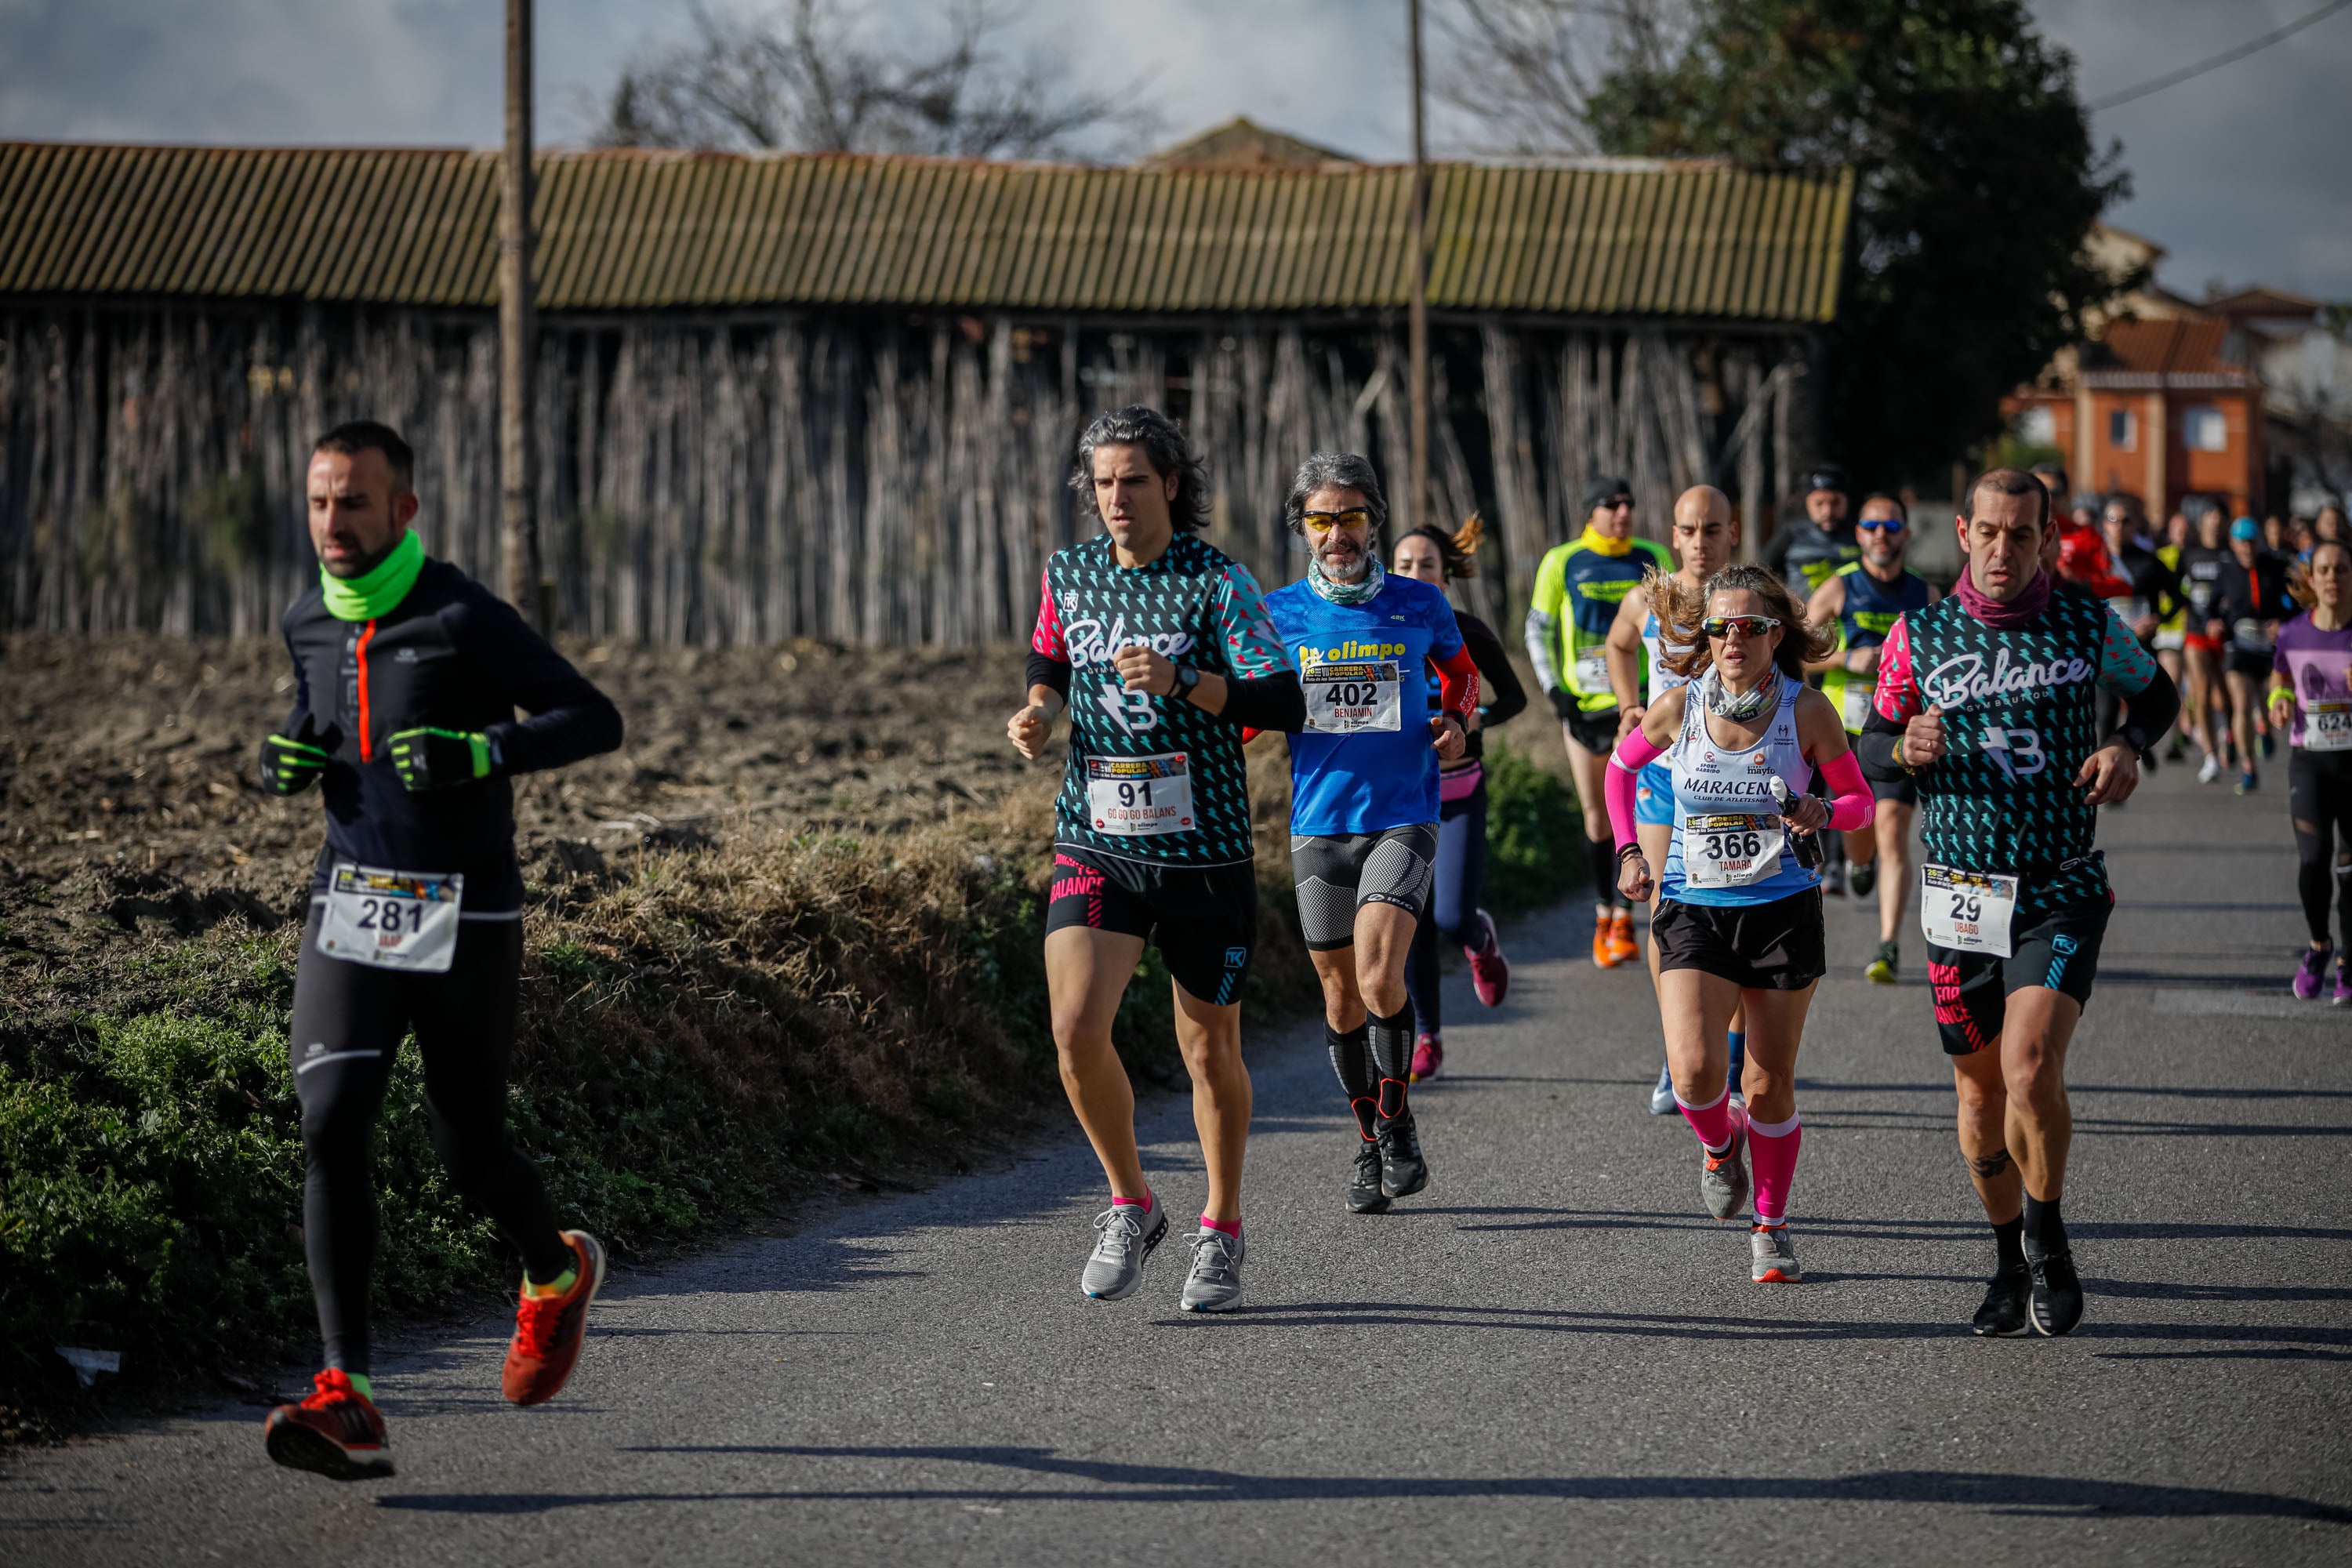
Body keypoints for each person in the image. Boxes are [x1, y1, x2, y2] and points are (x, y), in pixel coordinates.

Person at [258, 421, 625, 1482]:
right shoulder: (306, 619)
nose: (333, 522)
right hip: (349, 903)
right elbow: (317, 719)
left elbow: (593, 718)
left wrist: (481, 750)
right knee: (331, 1120)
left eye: (354, 502)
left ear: (403, 509)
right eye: (320, 501)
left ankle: (553, 1272)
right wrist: (287, 758)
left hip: (466, 913)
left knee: (468, 1150)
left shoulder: (461, 616)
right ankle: (348, 1393)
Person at [1857, 467, 2180, 1338]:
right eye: (1991, 532)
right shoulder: (1918, 635)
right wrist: (1906, 745)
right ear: (1964, 532)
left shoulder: (2086, 624)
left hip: (2059, 884)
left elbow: (2157, 694)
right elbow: (1872, 743)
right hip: (1962, 893)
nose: (2005, 550)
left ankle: (2048, 1239)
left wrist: (2126, 744)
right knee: (1978, 1101)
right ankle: (2007, 1259)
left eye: (2023, 534)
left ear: (2047, 537)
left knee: (2029, 1066)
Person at [1008, 405, 1304, 1312]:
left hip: (1203, 851)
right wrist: (1039, 711)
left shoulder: (1216, 583)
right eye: (1103, 482)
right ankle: (1131, 1202)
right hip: (1096, 837)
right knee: (1073, 1027)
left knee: (1209, 1048)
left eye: (1133, 479)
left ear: (1172, 483)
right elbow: (1050, 658)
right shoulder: (1070, 572)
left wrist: (1184, 681)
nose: (1117, 497)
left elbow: (1280, 700)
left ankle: (1221, 1226)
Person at [1606, 565, 1875, 1284]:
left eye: (1749, 626)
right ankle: (1720, 1146)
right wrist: (1630, 850)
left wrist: (1824, 810)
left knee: (1767, 1083)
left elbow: (1861, 804)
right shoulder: (1679, 705)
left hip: (1783, 911)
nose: (1733, 638)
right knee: (1695, 1074)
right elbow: (1619, 772)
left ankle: (1771, 1225)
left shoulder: (1807, 711)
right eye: (1720, 626)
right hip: (1694, 906)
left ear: (1775, 635)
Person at [1263, 455, 1482, 1212]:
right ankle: (1370, 1143)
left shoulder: (1420, 603)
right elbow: (1249, 708)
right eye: (1321, 520)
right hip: (1318, 823)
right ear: (1302, 529)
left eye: (1351, 516)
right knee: (1338, 999)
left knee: (1379, 977)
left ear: (1374, 521)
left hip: (1404, 813)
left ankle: (1396, 1121)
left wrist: (1455, 722)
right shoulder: (1279, 614)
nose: (1338, 534)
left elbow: (1463, 678)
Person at [1603, 485, 1750, 1112]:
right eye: (1688, 531)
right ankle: (1677, 1048)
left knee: (1737, 918)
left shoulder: (1750, 599)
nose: (1700, 543)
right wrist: (1628, 704)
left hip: (1736, 782)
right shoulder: (1650, 598)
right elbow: (1617, 644)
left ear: (1732, 532)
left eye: (1712, 530)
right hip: (1664, 776)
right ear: (1673, 535)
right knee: (1665, 910)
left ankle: (1733, 1063)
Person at [1392, 516, 1527, 1083]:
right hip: (1401, 799)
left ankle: (1478, 936)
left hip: (1460, 792)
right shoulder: (1379, 629)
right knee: (1413, 925)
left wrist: (1472, 721)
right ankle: (1428, 1038)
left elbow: (1514, 698)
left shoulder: (1467, 630)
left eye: (1426, 565)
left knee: (1449, 917)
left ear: (1445, 575)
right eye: (1403, 565)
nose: (1415, 573)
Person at [1527, 476, 1673, 968]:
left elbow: (1675, 624)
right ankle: (1605, 915)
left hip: (1640, 707)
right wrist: (1555, 691)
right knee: (1598, 816)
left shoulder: (1653, 555)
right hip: (1584, 707)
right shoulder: (1562, 560)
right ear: (1591, 512)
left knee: (1634, 811)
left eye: (1629, 503)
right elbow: (1537, 630)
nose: (1623, 512)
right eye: (1612, 505)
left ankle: (1630, 917)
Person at [1804, 493, 1939, 982]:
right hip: (1845, 736)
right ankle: (1859, 865)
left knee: (1892, 833)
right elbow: (1794, 651)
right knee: (1861, 838)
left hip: (1899, 735)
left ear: (1905, 534)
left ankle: (1888, 947)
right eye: (1872, 526)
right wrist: (1846, 659)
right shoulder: (1840, 587)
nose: (1882, 535)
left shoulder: (1924, 595)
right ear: (1859, 534)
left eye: (1892, 527)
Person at [2270, 539, 2352, 1001]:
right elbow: (2281, 673)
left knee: (2351, 871)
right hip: (2311, 762)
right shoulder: (2293, 633)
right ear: (2312, 579)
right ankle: (2320, 945)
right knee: (2312, 860)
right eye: (2324, 570)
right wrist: (2279, 700)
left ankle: (2349, 963)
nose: (2332, 578)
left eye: (2341, 569)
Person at [2209, 516, 2299, 795]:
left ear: (2258, 542)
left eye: (2251, 543)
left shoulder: (2275, 566)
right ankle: (2248, 766)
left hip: (2269, 648)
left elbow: (2296, 603)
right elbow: (2210, 605)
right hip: (2239, 646)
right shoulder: (2226, 569)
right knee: (2242, 703)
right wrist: (2213, 622)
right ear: (2233, 544)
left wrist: (2283, 622)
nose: (2247, 549)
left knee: (2264, 697)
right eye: (2242, 543)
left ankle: (2266, 731)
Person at [2179, 507, 2234, 781]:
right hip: (2196, 631)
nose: (2215, 526)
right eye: (2210, 520)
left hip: (2225, 633)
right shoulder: (2189, 553)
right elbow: (2176, 588)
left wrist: (2223, 618)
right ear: (2201, 523)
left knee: (2225, 697)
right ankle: (2210, 756)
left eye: (2219, 522)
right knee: (2200, 692)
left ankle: (2230, 733)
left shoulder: (2230, 554)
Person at [1759, 464, 1861, 597]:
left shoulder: (1861, 535)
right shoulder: (1790, 534)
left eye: (1835, 503)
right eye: (1819, 503)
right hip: (1802, 609)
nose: (1828, 511)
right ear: (1808, 503)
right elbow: (1761, 573)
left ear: (1846, 502)